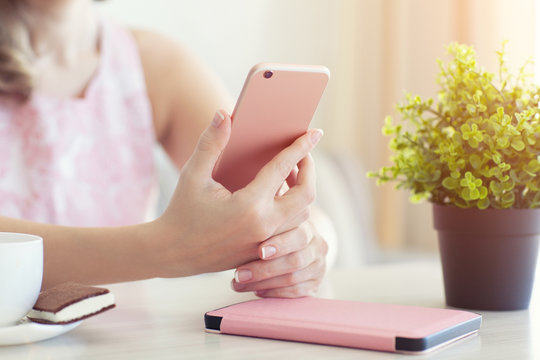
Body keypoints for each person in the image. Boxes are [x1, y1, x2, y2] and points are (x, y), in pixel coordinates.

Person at [0, 0, 333, 298]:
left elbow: (310, 222)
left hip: (131, 340)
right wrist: (167, 248)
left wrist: (306, 250)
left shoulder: (152, 63)